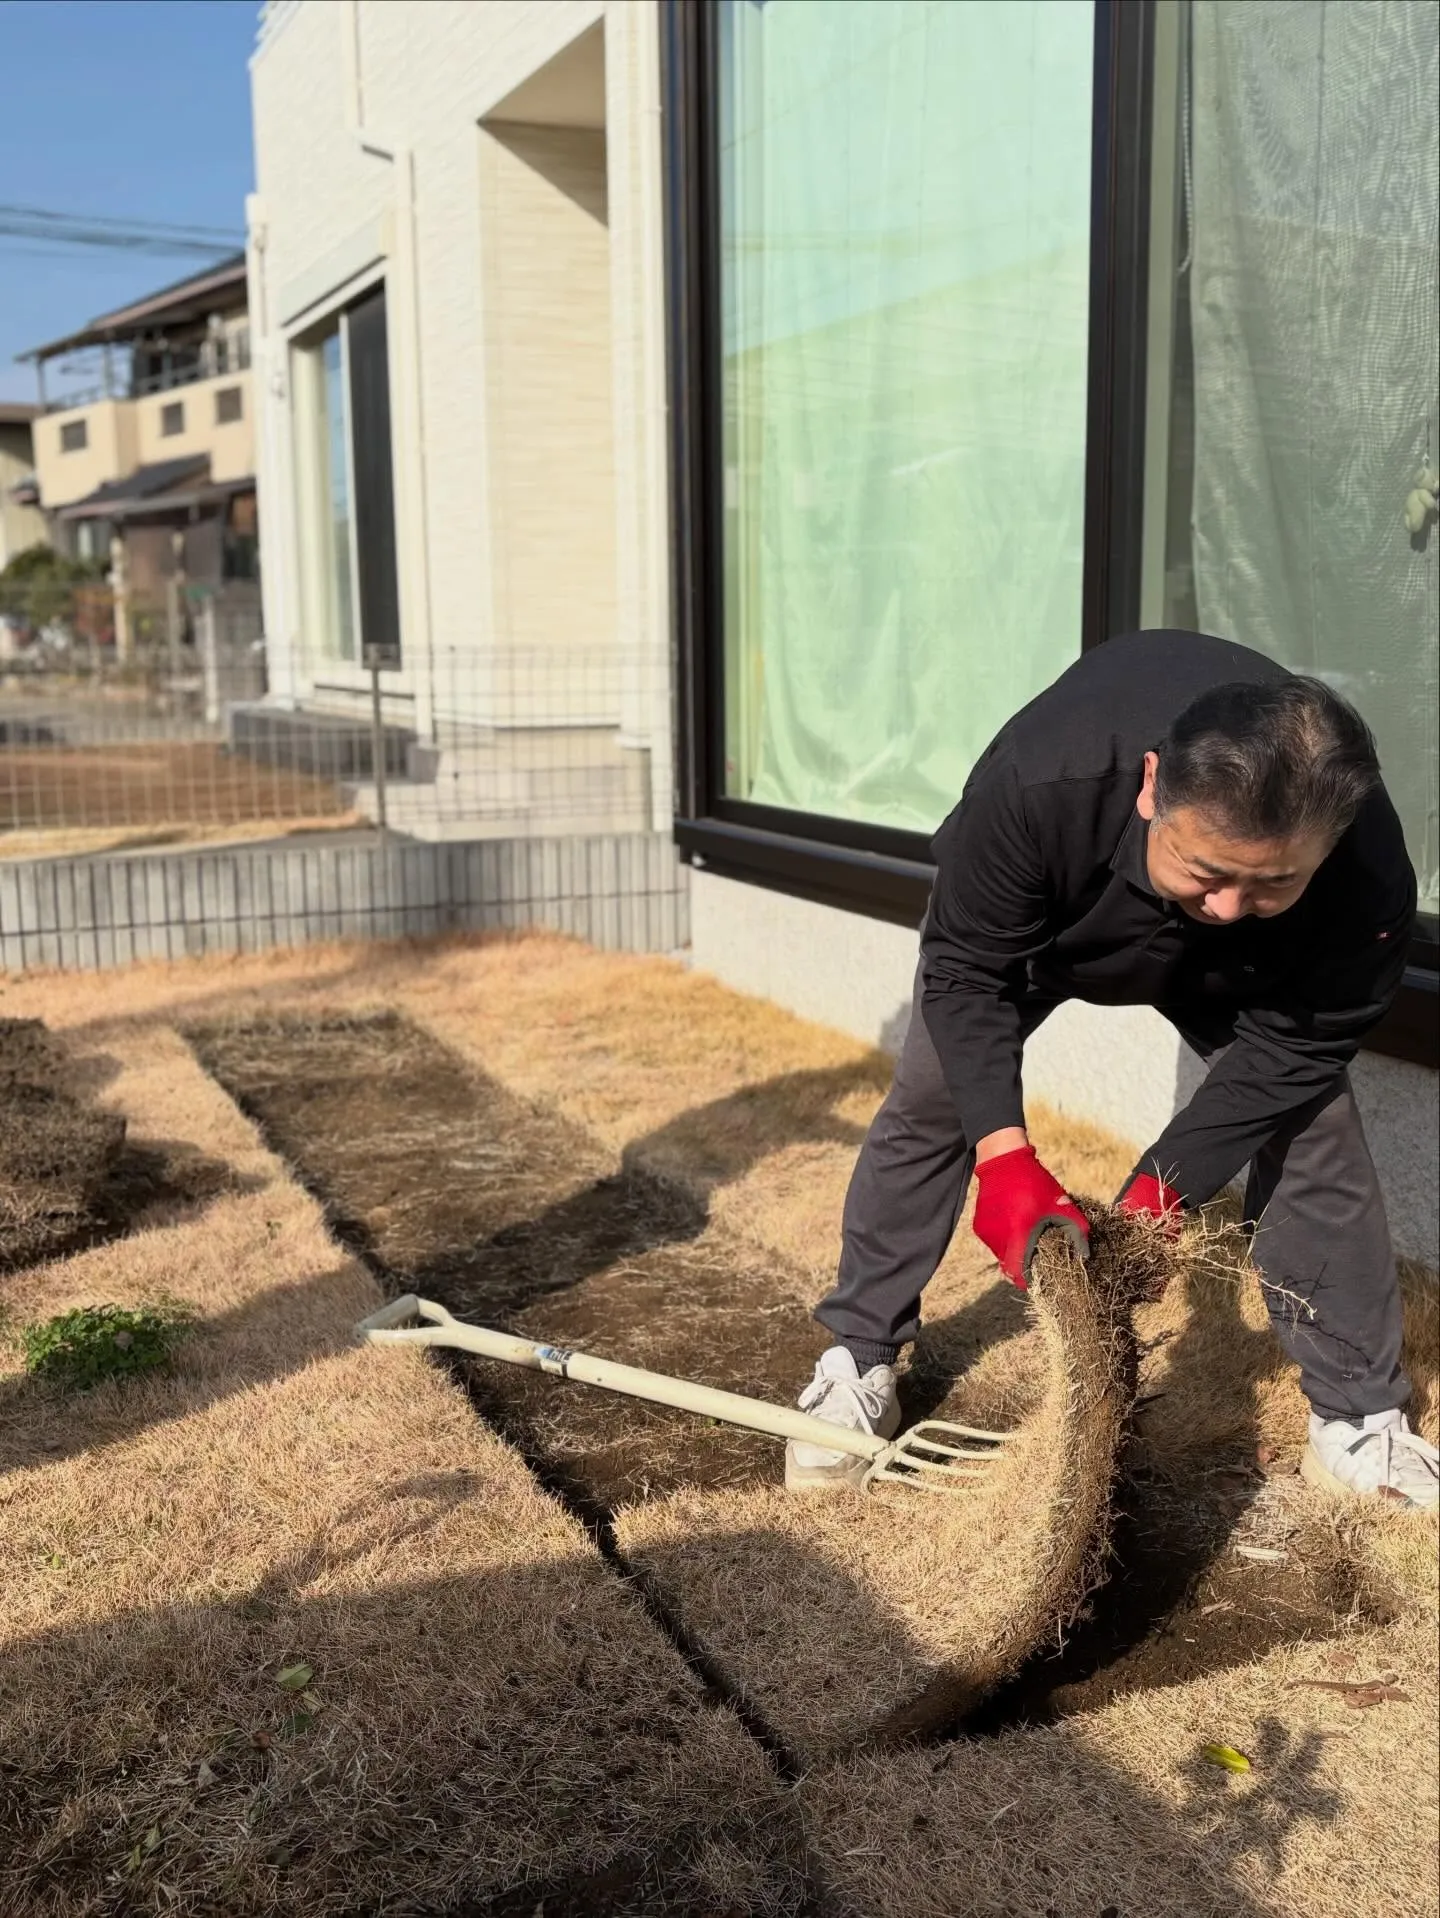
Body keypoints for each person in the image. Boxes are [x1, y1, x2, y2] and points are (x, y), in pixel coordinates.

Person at [787, 629, 1438, 1511]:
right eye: (1206, 871)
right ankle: (857, 1356)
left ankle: (1361, 1417)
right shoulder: (1041, 781)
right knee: (939, 1096)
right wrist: (1006, 1158)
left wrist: (1163, 1188)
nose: (1228, 907)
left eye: (1272, 884)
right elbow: (967, 971)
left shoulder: (1364, 866)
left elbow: (1299, 1045)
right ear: (1149, 788)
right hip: (1047, 933)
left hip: (1248, 981)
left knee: (1312, 1126)